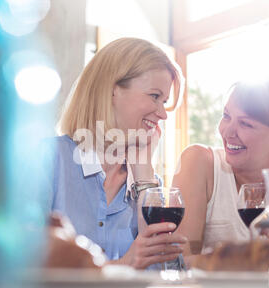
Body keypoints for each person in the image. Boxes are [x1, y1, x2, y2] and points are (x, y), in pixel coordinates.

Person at [42, 37, 187, 269]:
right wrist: (124, 265)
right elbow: (25, 271)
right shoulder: (48, 159)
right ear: (112, 90)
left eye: (165, 101)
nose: (163, 113)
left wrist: (143, 173)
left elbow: (170, 275)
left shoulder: (148, 186)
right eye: (154, 96)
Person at [172, 74, 269, 260]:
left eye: (245, 124)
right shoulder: (199, 162)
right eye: (226, 116)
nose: (227, 132)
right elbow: (181, 259)